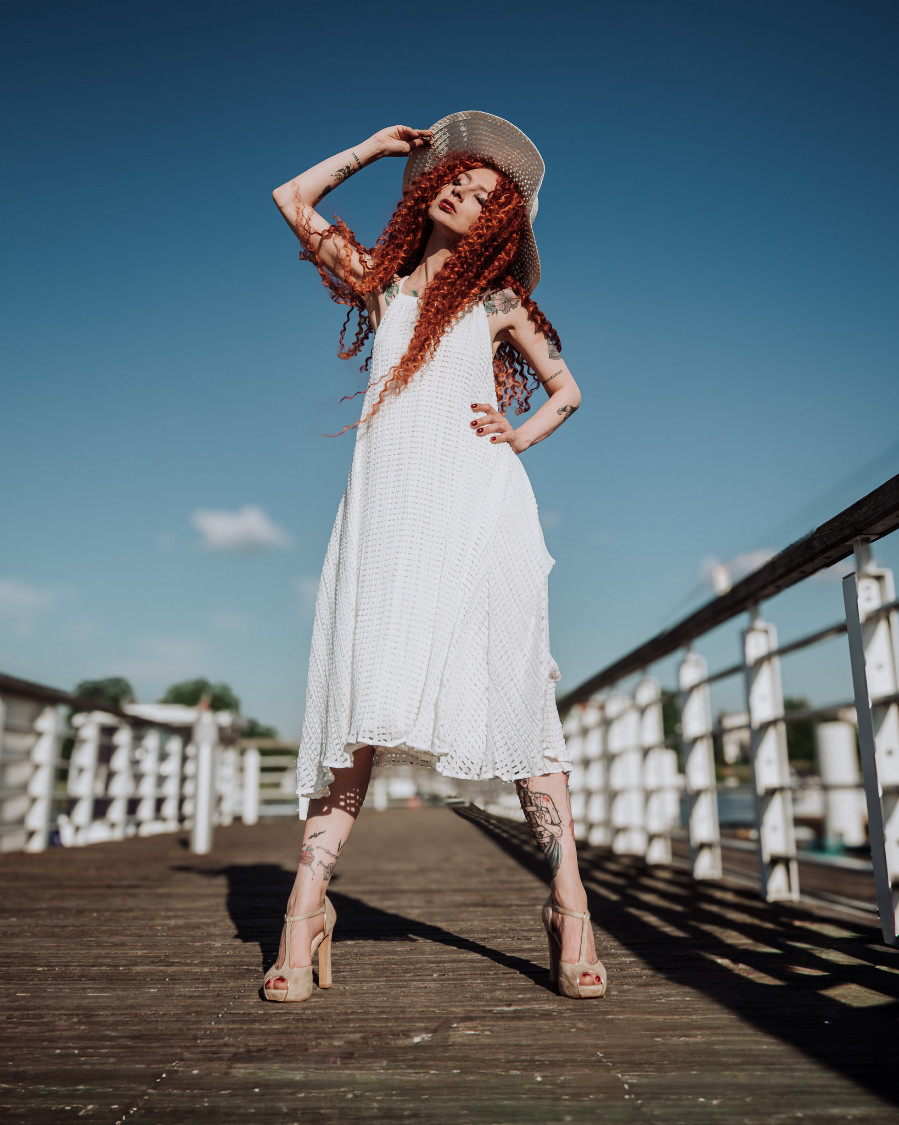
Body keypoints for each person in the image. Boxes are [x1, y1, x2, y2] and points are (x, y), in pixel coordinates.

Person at [264, 112, 606, 1002]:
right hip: (388, 521)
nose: (461, 192)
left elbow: (567, 390)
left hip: (483, 514)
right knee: (358, 706)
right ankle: (306, 906)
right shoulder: (382, 287)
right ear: (428, 188)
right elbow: (291, 199)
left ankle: (569, 905)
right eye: (455, 179)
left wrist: (518, 436)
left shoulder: (495, 305)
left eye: (484, 196)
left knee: (518, 695)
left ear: (499, 226)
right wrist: (373, 149)